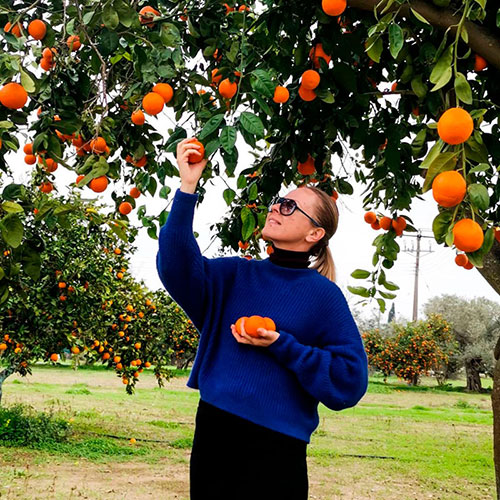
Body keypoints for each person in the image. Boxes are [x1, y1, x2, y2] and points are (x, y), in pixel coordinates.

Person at [156, 138, 369, 500]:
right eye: (277, 201)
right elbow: (175, 264)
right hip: (215, 431)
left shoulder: (323, 295)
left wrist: (283, 346)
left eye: (289, 207)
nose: (276, 208)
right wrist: (187, 186)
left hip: (277, 447)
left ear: (314, 233)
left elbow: (350, 381)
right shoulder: (232, 276)